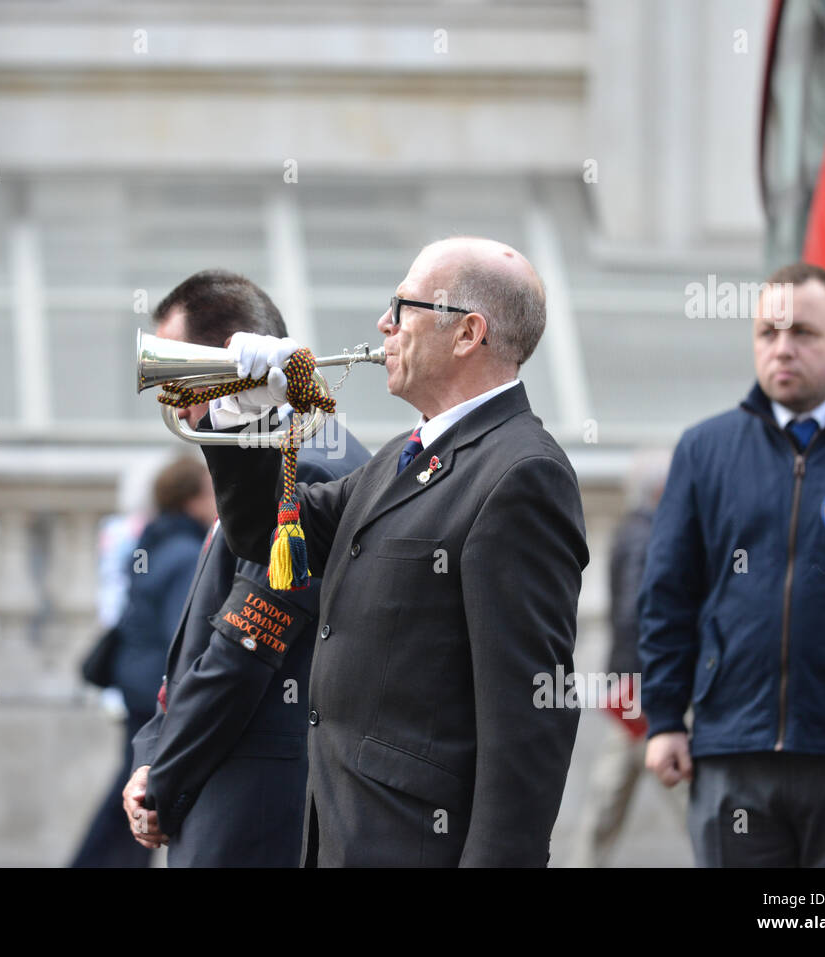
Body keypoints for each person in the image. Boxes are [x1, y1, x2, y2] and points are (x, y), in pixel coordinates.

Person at [190, 238, 589, 866]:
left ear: (467, 334)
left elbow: (531, 718)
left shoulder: (520, 472)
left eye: (403, 306)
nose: (384, 324)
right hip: (345, 836)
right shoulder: (399, 455)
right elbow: (268, 537)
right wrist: (247, 421)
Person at [639, 262, 825, 867]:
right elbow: (669, 595)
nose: (782, 348)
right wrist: (666, 717)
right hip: (732, 753)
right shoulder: (705, 449)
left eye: (803, 332)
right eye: (767, 333)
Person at [121, 270, 370, 866]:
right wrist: (147, 756)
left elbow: (243, 650)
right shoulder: (266, 457)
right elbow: (194, 657)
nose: (165, 393)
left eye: (174, 371)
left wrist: (161, 779)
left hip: (253, 809)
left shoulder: (302, 465)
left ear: (228, 361)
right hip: (232, 795)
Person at [71, 456, 213, 867]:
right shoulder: (188, 552)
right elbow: (184, 635)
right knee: (141, 795)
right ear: (191, 499)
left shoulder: (154, 539)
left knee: (134, 788)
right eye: (208, 490)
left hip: (134, 681)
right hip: (155, 688)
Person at [569, 449, 681, 867]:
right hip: (647, 685)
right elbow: (639, 610)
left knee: (614, 787)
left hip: (634, 683)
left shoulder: (632, 531)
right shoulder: (651, 536)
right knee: (683, 782)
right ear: (663, 490)